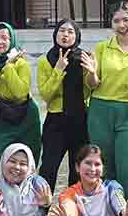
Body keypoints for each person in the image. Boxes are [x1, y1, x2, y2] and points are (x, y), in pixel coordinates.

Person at [83, 2, 128, 216]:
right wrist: (91, 72)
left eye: (126, 20)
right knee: (103, 167)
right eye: (116, 21)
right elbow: (92, 84)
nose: (121, 25)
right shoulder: (102, 48)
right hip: (100, 110)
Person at [0, 21, 42, 178]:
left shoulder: (21, 64)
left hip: (27, 117)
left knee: (28, 162)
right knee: (0, 162)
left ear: (12, 41)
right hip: (0, 118)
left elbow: (20, 92)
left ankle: (26, 193)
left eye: (4, 38)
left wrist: (8, 66)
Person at [37, 19, 92, 192]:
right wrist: (58, 70)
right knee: (48, 168)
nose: (65, 35)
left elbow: (91, 90)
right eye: (62, 30)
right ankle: (41, 207)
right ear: (55, 34)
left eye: (70, 31)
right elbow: (46, 94)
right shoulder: (46, 61)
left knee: (78, 170)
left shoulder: (84, 58)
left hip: (80, 119)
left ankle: (74, 206)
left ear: (77, 36)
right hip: (56, 121)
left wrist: (91, 71)